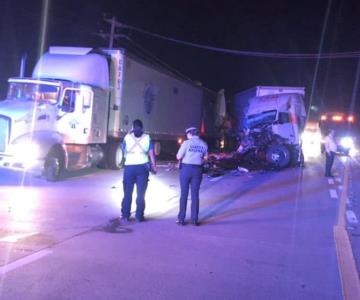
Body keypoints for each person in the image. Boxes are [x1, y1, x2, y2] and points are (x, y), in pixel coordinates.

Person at [120, 119, 157, 223]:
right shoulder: (147, 138)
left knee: (127, 193)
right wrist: (153, 166)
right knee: (141, 193)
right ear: (142, 127)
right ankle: (139, 216)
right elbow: (151, 153)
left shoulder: (127, 137)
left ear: (132, 127)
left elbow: (123, 150)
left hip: (129, 168)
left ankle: (125, 215)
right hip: (143, 168)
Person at [176, 126, 208, 226]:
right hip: (198, 170)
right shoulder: (203, 144)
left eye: (187, 134)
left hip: (186, 169)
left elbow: (178, 156)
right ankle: (194, 220)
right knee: (195, 195)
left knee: (184, 194)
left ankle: (181, 219)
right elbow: (206, 158)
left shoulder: (186, 143)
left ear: (190, 134)